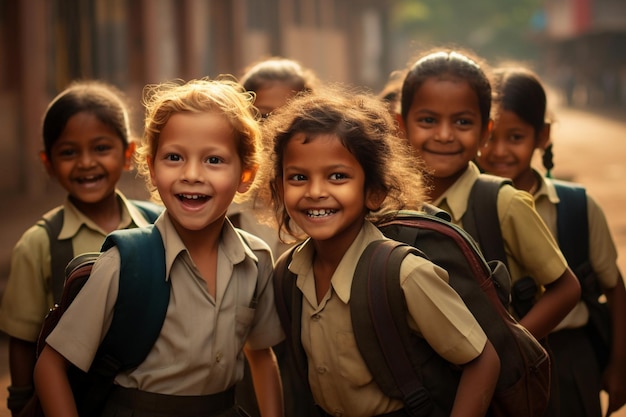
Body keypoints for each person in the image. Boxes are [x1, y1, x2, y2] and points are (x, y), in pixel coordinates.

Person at [33, 78, 285, 417]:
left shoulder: (256, 260)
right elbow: (50, 367)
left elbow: (262, 357)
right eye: (174, 157)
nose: (192, 174)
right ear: (151, 169)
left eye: (214, 160)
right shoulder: (125, 262)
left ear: (246, 174)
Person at [255, 86, 500, 417]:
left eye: (337, 177)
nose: (315, 192)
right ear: (280, 188)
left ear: (373, 191)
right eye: (298, 177)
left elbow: (483, 360)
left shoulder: (402, 274)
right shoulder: (288, 273)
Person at [0, 80, 161, 416]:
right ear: (48, 163)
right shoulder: (39, 243)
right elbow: (23, 339)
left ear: (129, 154)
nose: (86, 163)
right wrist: (20, 404)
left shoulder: (158, 225)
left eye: (101, 148)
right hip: (74, 400)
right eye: (69, 152)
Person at [399, 49, 581, 343]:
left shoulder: (503, 203)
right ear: (401, 125)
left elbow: (566, 288)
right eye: (428, 120)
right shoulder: (390, 203)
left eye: (462, 122)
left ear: (486, 131)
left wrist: (509, 349)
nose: (445, 135)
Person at [475, 66, 626, 417]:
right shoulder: (457, 207)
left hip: (569, 359)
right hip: (491, 364)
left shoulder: (576, 207)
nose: (498, 151)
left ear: (542, 136)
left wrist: (619, 365)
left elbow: (615, 288)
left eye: (515, 137)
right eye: (489, 137)